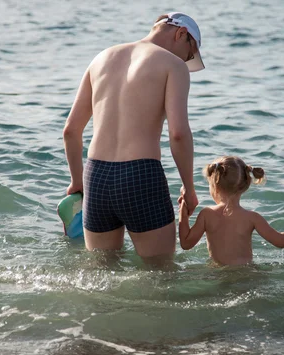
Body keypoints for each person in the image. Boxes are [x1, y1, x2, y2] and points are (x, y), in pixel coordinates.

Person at [62, 12, 204, 262]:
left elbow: (71, 130)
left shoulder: (101, 58)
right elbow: (179, 135)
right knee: (160, 275)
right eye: (190, 54)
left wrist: (77, 182)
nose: (187, 59)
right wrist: (189, 189)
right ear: (181, 34)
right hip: (140, 176)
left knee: (100, 272)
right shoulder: (173, 65)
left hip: (96, 177)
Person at [178, 156, 284, 266]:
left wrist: (183, 212)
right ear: (245, 186)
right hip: (246, 274)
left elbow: (186, 243)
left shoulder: (206, 214)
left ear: (215, 188)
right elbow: (280, 241)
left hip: (218, 275)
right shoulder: (252, 218)